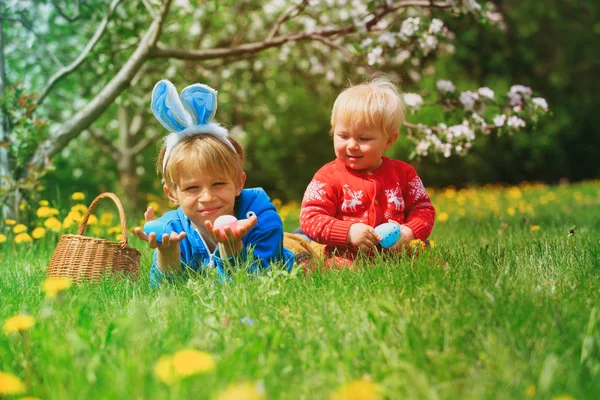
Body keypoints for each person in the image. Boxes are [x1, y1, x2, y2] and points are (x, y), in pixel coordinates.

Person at [135, 79, 294, 286]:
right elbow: (165, 295)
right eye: (192, 188)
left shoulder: (261, 221)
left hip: (287, 250)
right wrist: (168, 255)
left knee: (304, 248)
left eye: (218, 184)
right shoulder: (172, 230)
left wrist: (231, 247)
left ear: (239, 183)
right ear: (172, 193)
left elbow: (254, 289)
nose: (208, 197)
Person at [299, 76, 436, 268]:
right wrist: (348, 232)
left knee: (428, 262)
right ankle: (305, 261)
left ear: (389, 140)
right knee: (338, 270)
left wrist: (408, 233)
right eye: (343, 136)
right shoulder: (327, 177)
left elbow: (423, 210)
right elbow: (310, 218)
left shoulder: (404, 173)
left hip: (399, 254)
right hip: (346, 256)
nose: (352, 145)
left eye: (363, 138)